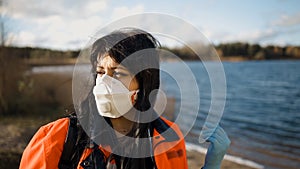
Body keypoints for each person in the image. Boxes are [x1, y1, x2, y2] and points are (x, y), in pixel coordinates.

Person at [19, 28, 230, 169]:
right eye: (101, 72)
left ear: (144, 84)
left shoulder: (168, 140)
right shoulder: (57, 138)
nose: (104, 82)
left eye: (118, 73)